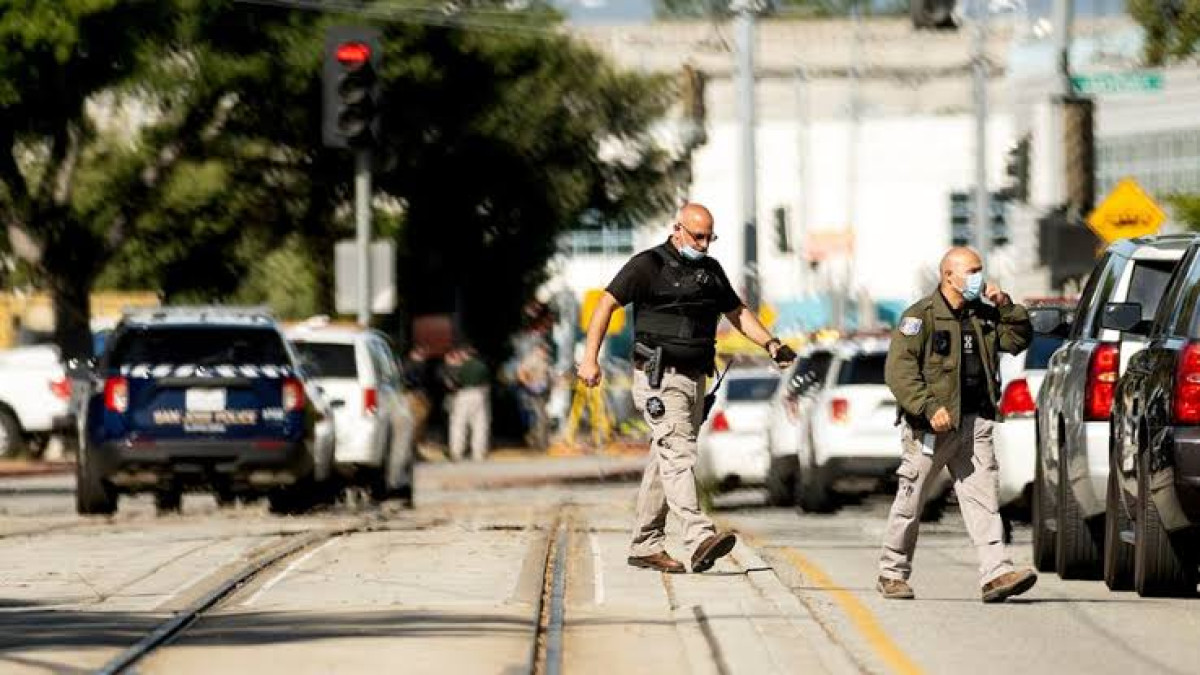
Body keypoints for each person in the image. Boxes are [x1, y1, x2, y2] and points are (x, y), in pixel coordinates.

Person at [577, 202, 796, 574]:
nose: (705, 244)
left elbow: (737, 313)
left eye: (710, 237)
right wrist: (589, 358)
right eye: (698, 236)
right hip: (659, 379)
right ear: (677, 229)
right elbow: (605, 305)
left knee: (664, 459)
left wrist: (773, 345)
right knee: (678, 454)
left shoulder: (710, 272)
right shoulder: (647, 266)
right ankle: (698, 537)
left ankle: (645, 544)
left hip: (696, 379)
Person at [878, 246, 1038, 603]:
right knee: (911, 499)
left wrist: (1006, 305)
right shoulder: (920, 317)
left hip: (975, 423)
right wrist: (927, 406)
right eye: (971, 271)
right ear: (948, 275)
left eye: (980, 269)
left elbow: (1018, 340)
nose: (978, 277)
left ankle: (996, 573)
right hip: (930, 429)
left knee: (984, 501)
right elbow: (899, 372)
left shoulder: (985, 315)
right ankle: (892, 572)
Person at [446, 346, 491, 462]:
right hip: (479, 394)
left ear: (466, 355)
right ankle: (478, 453)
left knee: (458, 424)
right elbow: (486, 383)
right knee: (479, 425)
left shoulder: (461, 366)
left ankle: (456, 451)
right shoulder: (482, 366)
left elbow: (455, 382)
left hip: (463, 394)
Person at [517, 341, 554, 450]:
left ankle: (541, 443)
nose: (546, 353)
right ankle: (539, 444)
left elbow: (547, 375)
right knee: (540, 418)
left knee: (542, 418)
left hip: (543, 394)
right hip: (534, 393)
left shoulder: (545, 361)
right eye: (544, 351)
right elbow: (521, 373)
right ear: (538, 350)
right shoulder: (531, 359)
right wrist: (529, 385)